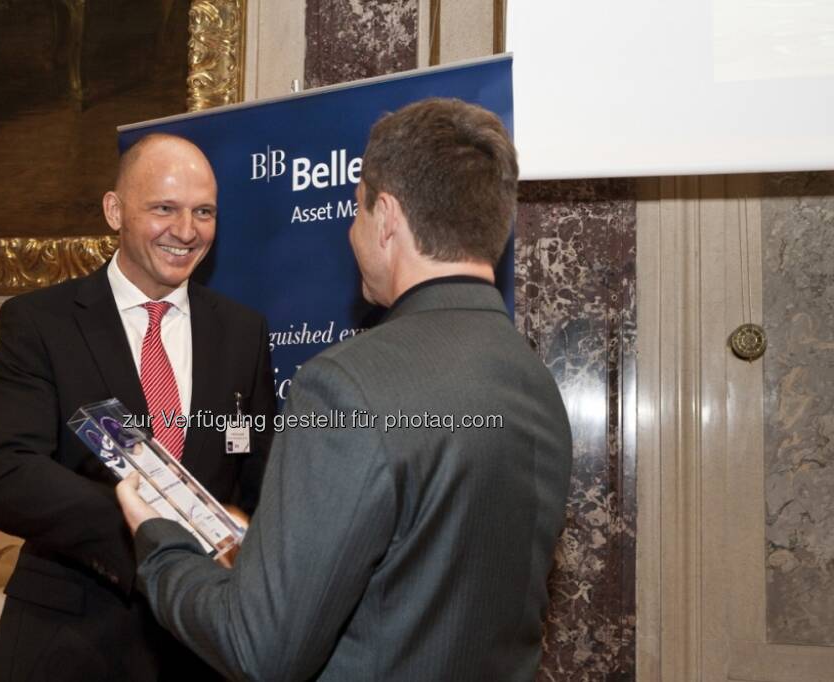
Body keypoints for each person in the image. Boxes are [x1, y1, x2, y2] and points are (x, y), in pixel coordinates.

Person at [116, 98, 573, 681]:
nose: (351, 232)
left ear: (386, 218)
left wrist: (160, 543)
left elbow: (257, 649)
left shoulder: (344, 386)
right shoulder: (535, 380)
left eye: (356, 210)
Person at [0, 133, 276, 681]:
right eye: (164, 208)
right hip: (69, 643)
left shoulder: (243, 332)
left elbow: (258, 482)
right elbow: (7, 475)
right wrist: (154, 529)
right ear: (115, 211)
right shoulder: (42, 322)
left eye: (203, 212)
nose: (186, 231)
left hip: (197, 646)